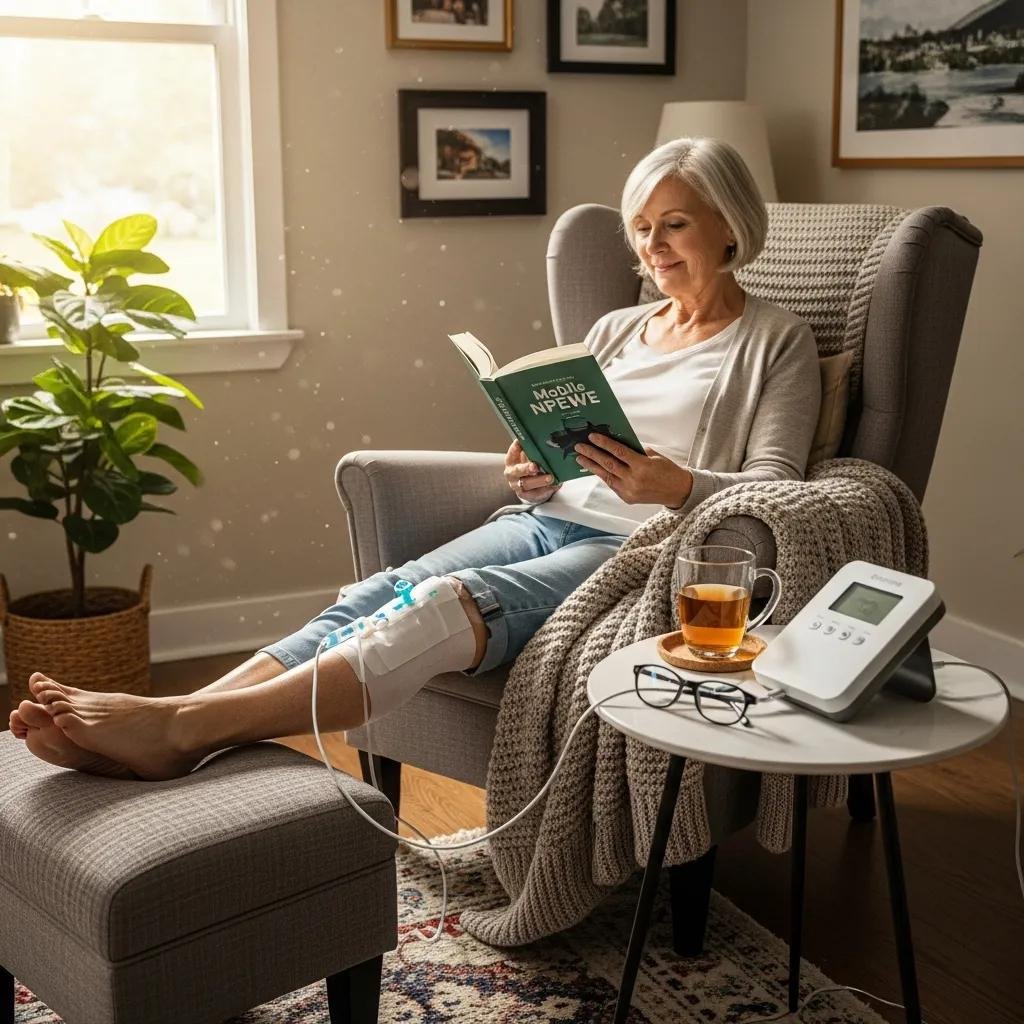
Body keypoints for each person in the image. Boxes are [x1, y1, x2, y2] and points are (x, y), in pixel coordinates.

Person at [8, 137, 820, 781]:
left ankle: (179, 731)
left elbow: (780, 493)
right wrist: (530, 468)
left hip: (634, 550)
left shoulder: (776, 341)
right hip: (547, 518)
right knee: (376, 593)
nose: (653, 245)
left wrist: (676, 486)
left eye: (673, 223)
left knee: (439, 605)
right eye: (642, 228)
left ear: (728, 224)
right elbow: (572, 442)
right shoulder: (615, 329)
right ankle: (180, 714)